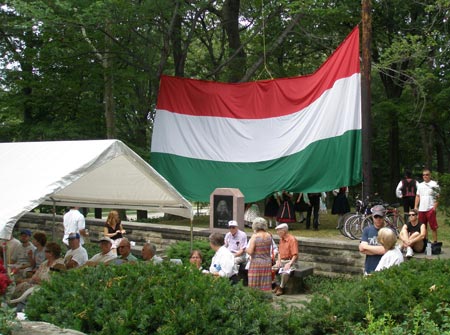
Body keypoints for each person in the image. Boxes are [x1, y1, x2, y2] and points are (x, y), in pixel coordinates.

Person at [246, 217, 273, 291]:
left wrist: (245, 249)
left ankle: (255, 299)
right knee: (265, 283)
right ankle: (266, 298)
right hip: (267, 262)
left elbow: (250, 251)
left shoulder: (255, 236)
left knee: (254, 283)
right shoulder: (269, 235)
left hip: (256, 263)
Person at [359, 205, 387, 275]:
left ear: (384, 216)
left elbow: (385, 250)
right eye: (376, 216)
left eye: (380, 216)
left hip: (384, 270)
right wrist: (380, 250)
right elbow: (362, 249)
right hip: (369, 270)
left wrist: (367, 247)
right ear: (372, 216)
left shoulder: (389, 231)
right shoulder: (367, 230)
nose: (378, 219)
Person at [272, 223, 298, 296]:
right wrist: (278, 261)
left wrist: (289, 263)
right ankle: (276, 285)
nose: (277, 233)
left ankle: (281, 287)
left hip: (291, 261)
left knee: (285, 273)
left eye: (278, 231)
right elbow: (279, 252)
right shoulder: (281, 240)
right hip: (282, 260)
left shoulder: (292, 239)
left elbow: (295, 255)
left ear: (284, 231)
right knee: (272, 269)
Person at [415, 168, 440, 243]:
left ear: (430, 175)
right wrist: (416, 206)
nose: (425, 176)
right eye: (424, 175)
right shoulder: (420, 185)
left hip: (430, 209)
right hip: (421, 209)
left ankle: (435, 242)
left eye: (427, 175)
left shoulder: (434, 184)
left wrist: (434, 208)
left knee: (433, 227)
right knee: (423, 227)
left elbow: (438, 197)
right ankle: (425, 242)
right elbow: (417, 196)